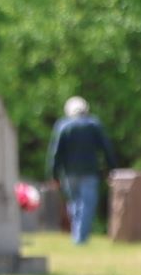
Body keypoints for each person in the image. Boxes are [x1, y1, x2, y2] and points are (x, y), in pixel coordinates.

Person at [48, 96, 117, 245]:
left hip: (69, 173)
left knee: (74, 204)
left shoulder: (63, 126)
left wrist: (54, 175)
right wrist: (112, 168)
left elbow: (55, 153)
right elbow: (106, 148)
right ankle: (80, 237)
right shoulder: (93, 125)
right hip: (90, 172)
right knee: (87, 204)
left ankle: (77, 236)